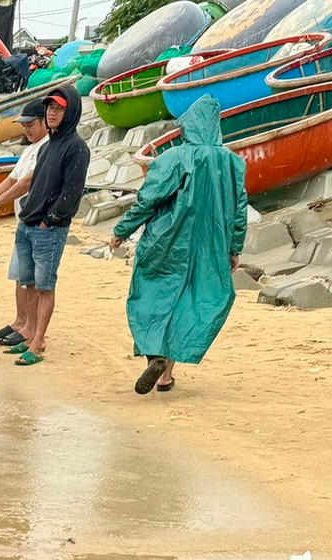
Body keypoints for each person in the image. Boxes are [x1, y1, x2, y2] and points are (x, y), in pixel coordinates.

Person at [112, 95, 248, 395]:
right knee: (189, 304)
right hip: (210, 247)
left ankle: (154, 356)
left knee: (151, 296)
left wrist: (122, 230)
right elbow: (240, 210)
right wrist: (234, 248)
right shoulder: (233, 163)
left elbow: (149, 199)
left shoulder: (172, 158)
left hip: (166, 242)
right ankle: (165, 376)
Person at [3, 88, 89, 366]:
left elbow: (71, 193)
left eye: (58, 109)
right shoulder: (48, 146)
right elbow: (36, 184)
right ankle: (28, 334)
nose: (51, 113)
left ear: (71, 112)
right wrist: (31, 216)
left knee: (44, 287)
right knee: (27, 282)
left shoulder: (76, 148)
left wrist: (48, 220)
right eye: (49, 108)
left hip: (48, 229)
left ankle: (38, 343)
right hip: (28, 223)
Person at [0, 105, 48, 350]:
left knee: (32, 279)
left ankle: (30, 327)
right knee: (19, 275)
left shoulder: (46, 148)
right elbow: (12, 178)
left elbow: (27, 182)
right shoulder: (30, 149)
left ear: (43, 122)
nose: (26, 130)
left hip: (38, 222)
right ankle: (20, 321)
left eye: (31, 125)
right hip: (23, 221)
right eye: (24, 126)